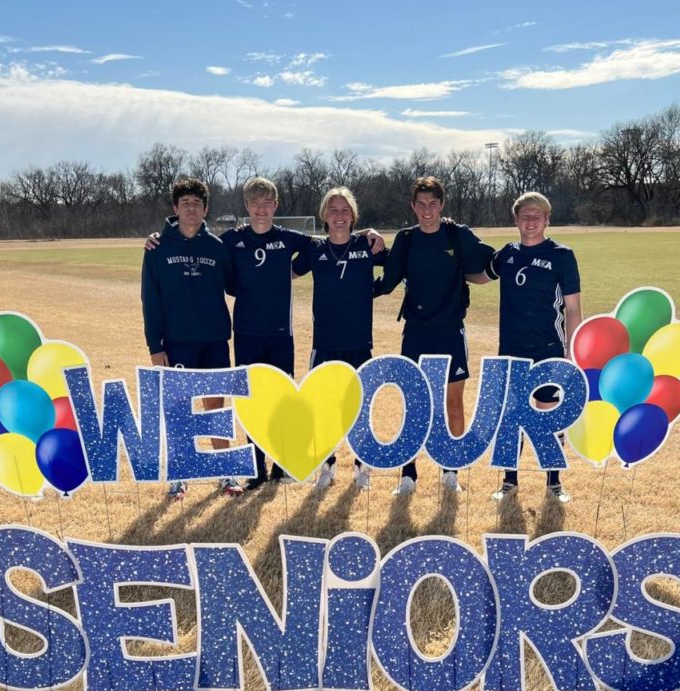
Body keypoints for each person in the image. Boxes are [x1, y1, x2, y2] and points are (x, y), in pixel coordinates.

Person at [146, 176, 383, 491]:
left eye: (267, 203)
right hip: (245, 333)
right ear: (247, 206)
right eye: (255, 203)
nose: (261, 209)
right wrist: (157, 236)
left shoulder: (290, 239)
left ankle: (281, 466)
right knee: (250, 403)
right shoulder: (228, 240)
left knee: (281, 402)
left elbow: (332, 239)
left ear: (276, 206)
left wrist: (366, 233)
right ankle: (255, 470)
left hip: (281, 335)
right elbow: (218, 272)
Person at [377, 176, 494, 495]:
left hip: (450, 331)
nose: (426, 210)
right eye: (420, 204)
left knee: (453, 404)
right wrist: (350, 291)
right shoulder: (406, 239)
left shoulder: (458, 235)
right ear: (412, 206)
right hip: (416, 331)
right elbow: (387, 281)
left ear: (442, 205)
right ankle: (408, 474)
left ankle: (450, 470)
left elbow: (489, 262)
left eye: (433, 204)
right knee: (415, 405)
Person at [140, 177, 237, 501]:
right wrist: (156, 347)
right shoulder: (157, 248)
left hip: (214, 342)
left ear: (206, 208)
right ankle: (180, 476)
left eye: (197, 203)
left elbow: (235, 286)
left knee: (215, 408)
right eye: (185, 203)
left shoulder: (218, 248)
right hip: (177, 342)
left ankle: (225, 471)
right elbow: (150, 300)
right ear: (175, 208)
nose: (191, 208)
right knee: (180, 411)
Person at [482, 191, 582, 503]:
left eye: (536, 215)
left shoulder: (562, 255)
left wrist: (571, 349)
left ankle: (554, 483)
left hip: (549, 348)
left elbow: (574, 308)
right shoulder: (507, 254)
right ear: (516, 220)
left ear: (547, 219)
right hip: (511, 349)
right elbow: (479, 275)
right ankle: (509, 482)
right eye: (524, 215)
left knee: (549, 416)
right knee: (511, 418)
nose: (530, 221)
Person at [291, 187, 387, 490]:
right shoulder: (314, 250)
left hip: (359, 342)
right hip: (325, 342)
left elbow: (400, 266)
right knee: (323, 408)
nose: (340, 216)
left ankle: (362, 469)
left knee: (360, 407)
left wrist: (381, 285)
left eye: (346, 210)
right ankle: (327, 466)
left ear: (354, 216)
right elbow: (285, 272)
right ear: (324, 215)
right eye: (333, 210)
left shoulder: (368, 245)